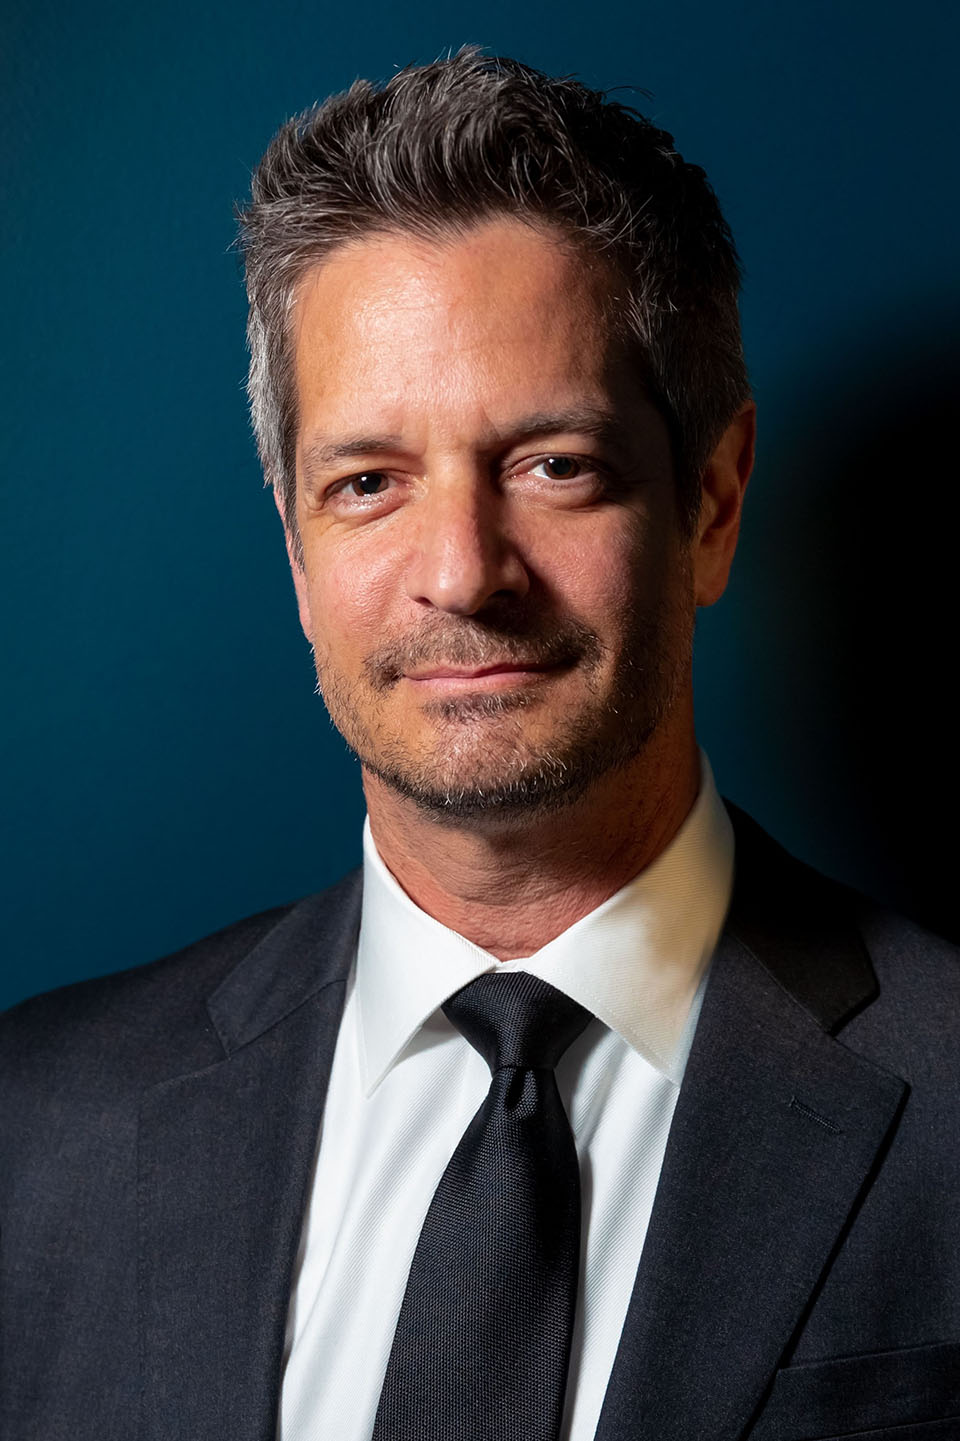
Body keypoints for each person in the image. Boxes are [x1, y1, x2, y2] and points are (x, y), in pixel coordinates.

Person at [2, 46, 959, 1441]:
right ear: (295, 548)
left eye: (552, 463)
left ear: (712, 501)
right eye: (369, 482)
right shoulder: (34, 1135)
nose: (461, 571)